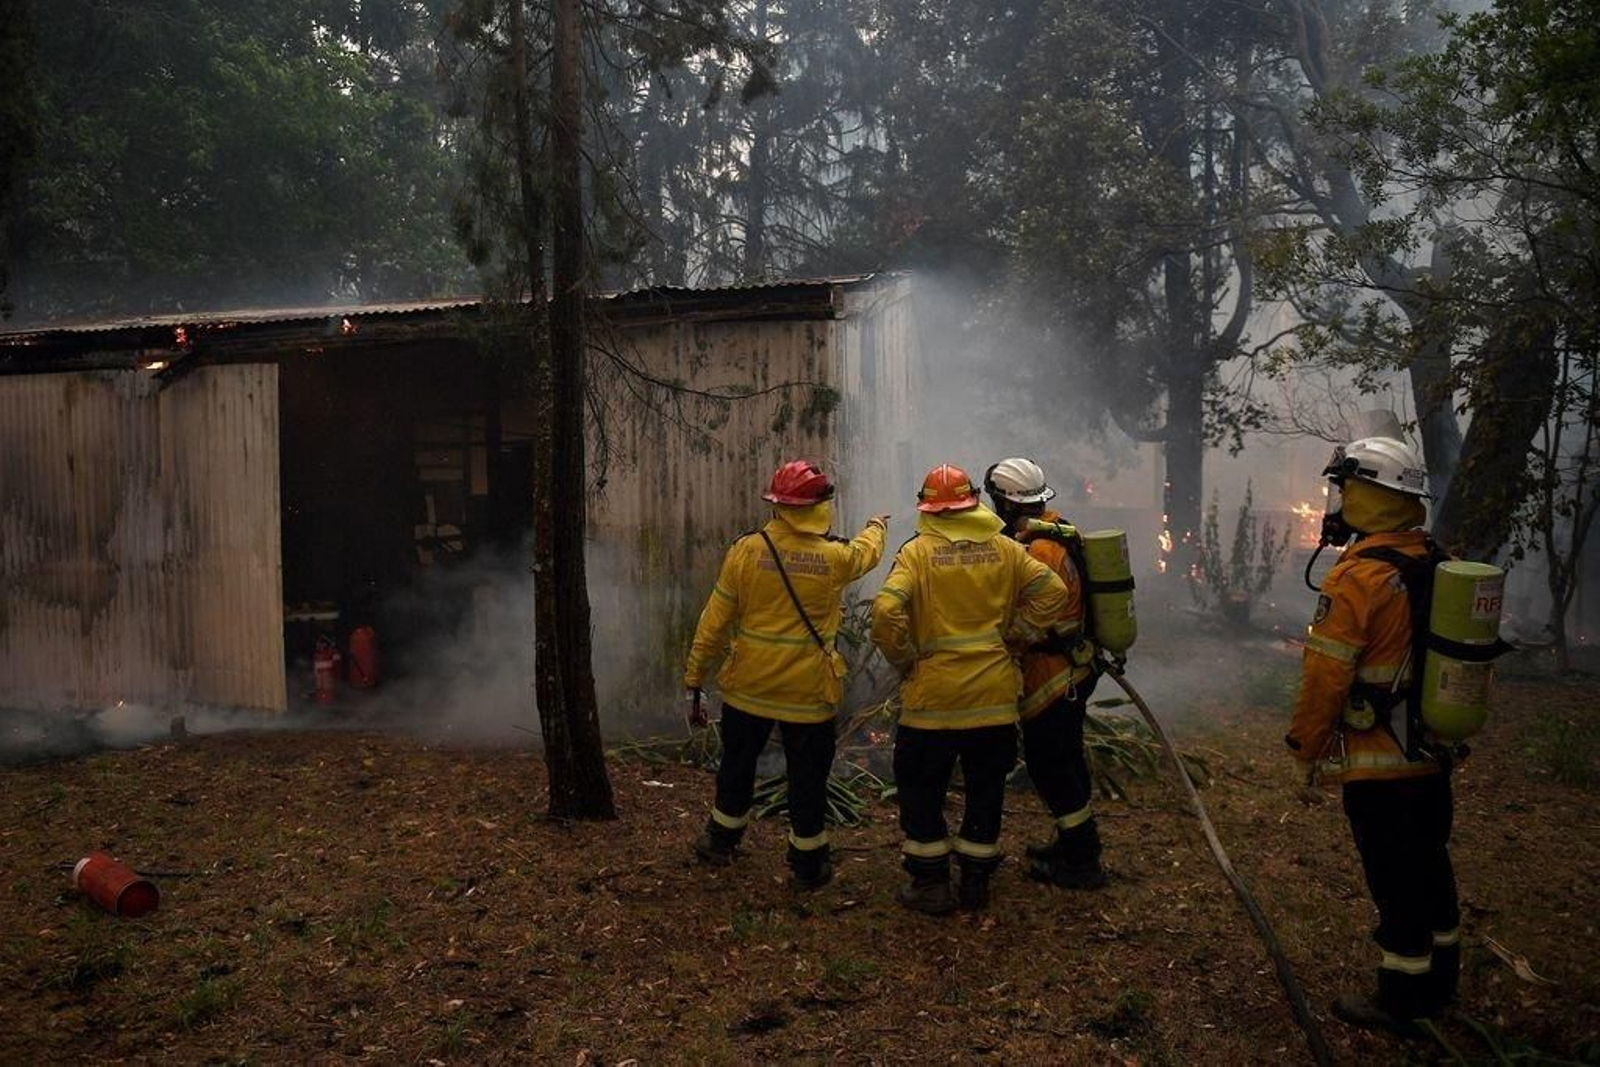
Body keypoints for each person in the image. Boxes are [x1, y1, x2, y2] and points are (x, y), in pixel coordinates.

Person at [1286, 433, 1460, 1036]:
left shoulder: (1356, 577)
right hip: (1432, 753)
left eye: (1345, 489)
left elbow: (1325, 676)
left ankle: (1403, 999)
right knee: (1432, 863)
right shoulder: (1437, 560)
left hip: (1379, 761)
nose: (1336, 502)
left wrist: (1305, 751)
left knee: (1395, 876)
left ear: (1370, 495)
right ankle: (1441, 982)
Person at [871, 463, 1068, 913]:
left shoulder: (917, 553)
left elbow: (885, 613)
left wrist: (903, 659)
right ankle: (976, 881)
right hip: (994, 701)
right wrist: (1019, 633)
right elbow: (1053, 592)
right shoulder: (1006, 549)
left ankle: (930, 883)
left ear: (927, 508)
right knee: (985, 788)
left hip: (933, 701)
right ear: (974, 501)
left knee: (921, 787)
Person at [684, 459, 888, 890]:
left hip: (748, 690)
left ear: (777, 506)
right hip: (807, 696)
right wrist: (876, 526)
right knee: (808, 780)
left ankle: (720, 840)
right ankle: (809, 866)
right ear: (820, 507)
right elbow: (866, 553)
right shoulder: (834, 557)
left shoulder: (746, 550)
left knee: (736, 767)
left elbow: (715, 621)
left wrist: (695, 679)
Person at [983, 457, 1106, 890]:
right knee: (1067, 757)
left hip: (1055, 674)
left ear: (1003, 501)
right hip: (1077, 666)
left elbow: (1026, 615)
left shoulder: (1038, 551)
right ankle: (1074, 842)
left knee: (1049, 764)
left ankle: (1082, 860)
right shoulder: (1058, 530)